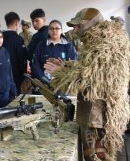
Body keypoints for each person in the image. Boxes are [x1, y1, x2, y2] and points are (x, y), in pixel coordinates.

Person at [45, 8, 130, 161]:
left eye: (78, 25)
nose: (75, 29)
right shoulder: (100, 40)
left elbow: (91, 79)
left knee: (97, 155)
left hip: (98, 117)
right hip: (97, 113)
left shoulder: (104, 43)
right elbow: (89, 68)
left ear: (90, 23)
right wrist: (66, 67)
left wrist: (61, 73)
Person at [2, 11, 27, 96]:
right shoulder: (18, 40)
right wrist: (23, 73)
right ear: (16, 22)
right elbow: (22, 59)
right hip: (15, 76)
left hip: (0, 74)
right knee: (14, 98)